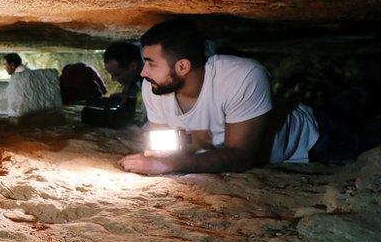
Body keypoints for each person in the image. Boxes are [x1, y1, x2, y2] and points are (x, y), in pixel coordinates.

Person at [118, 18, 377, 175]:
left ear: (182, 67)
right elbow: (173, 146)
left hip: (314, 138)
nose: (143, 72)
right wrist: (163, 157)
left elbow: (241, 156)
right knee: (345, 105)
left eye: (151, 63)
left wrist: (169, 165)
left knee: (365, 137)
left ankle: (362, 92)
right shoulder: (155, 87)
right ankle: (356, 94)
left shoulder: (242, 76)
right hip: (283, 114)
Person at [103, 40, 143, 105]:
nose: (113, 79)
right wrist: (126, 93)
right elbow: (133, 77)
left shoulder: (155, 70)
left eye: (117, 75)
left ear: (133, 65)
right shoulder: (131, 54)